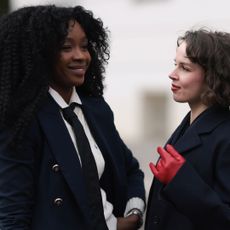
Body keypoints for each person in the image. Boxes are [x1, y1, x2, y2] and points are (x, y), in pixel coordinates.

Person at [0, 5, 146, 230]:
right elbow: (12, 215)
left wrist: (133, 214)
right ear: (40, 53)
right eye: (66, 47)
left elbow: (130, 169)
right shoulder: (21, 121)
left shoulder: (96, 109)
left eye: (85, 46)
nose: (80, 56)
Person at [145, 28, 230, 230]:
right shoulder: (190, 123)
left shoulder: (226, 135)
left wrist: (180, 180)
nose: (172, 74)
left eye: (185, 68)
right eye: (175, 65)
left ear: (212, 76)